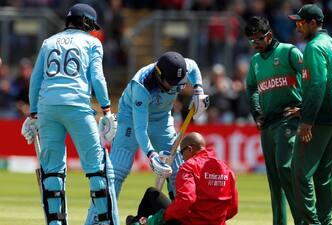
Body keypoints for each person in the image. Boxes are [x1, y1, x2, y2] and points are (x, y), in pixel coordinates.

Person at [20, 3, 119, 225]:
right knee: (96, 170)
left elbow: (36, 80)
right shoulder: (93, 42)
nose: (93, 30)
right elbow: (97, 78)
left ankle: (56, 223)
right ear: (85, 22)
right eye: (91, 25)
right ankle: (104, 222)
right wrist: (107, 110)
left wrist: (33, 114)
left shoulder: (48, 42)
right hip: (77, 106)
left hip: (47, 107)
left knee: (52, 172)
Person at [85, 51, 209, 224]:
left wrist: (198, 90)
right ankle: (97, 220)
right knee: (116, 172)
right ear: (159, 76)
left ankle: (181, 217)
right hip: (131, 119)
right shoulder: (141, 87)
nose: (177, 88)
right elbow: (140, 129)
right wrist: (152, 156)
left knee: (178, 170)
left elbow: (194, 66)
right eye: (172, 84)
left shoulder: (179, 67)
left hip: (162, 119)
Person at [288, 4, 332, 225]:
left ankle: (312, 223)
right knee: (324, 176)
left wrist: (307, 120)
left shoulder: (314, 47)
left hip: (319, 120)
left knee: (299, 172)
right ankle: (326, 221)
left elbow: (318, 84)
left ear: (314, 23)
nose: (297, 26)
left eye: (301, 22)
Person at [244, 16, 304, 225]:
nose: (255, 44)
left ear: (269, 35)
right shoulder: (255, 62)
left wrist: (305, 108)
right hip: (267, 124)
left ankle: (303, 220)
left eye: (258, 40)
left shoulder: (289, 52)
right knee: (274, 180)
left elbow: (309, 76)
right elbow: (251, 88)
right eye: (251, 41)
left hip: (288, 119)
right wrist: (256, 112)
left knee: (284, 167)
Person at [125, 132, 238, 225]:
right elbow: (233, 209)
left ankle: (138, 222)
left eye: (182, 153)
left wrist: (158, 218)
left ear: (189, 149)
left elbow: (186, 199)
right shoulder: (227, 170)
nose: (182, 158)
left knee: (151, 193)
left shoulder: (189, 166)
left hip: (189, 222)